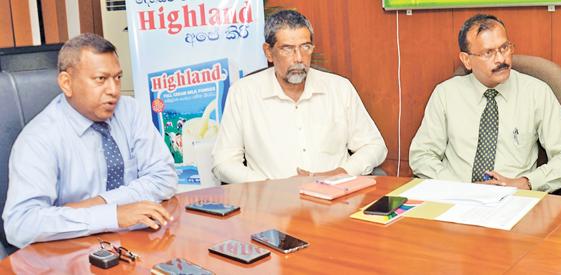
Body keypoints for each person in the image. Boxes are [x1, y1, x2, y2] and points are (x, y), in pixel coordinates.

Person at [3, 33, 177, 248]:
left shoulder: (130, 111)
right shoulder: (39, 139)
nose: (113, 90)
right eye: (101, 79)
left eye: (118, 77)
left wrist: (100, 203)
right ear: (67, 83)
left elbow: (164, 177)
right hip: (71, 253)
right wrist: (112, 215)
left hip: (136, 242)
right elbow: (20, 225)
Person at [409, 14, 561, 192]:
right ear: (466, 60)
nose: (501, 59)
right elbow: (422, 155)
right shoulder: (445, 94)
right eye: (488, 53)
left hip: (514, 198)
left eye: (504, 48)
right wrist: (460, 188)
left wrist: (528, 182)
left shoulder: (536, 92)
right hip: (455, 197)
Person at [212, 10, 387, 183]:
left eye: (305, 47)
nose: (299, 58)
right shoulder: (243, 93)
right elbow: (223, 162)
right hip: (272, 203)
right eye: (287, 49)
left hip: (336, 197)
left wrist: (340, 172)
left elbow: (374, 146)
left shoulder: (339, 88)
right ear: (268, 52)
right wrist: (270, 187)